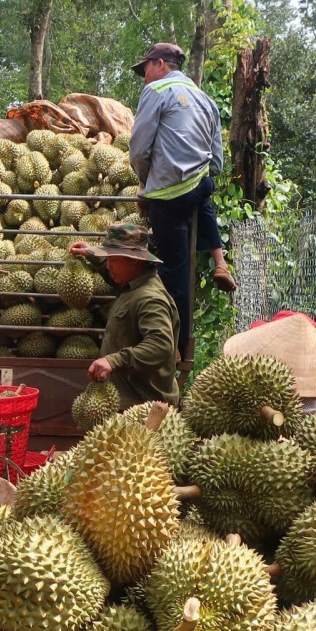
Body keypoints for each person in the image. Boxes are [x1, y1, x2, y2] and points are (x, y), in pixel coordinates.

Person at [127, 42, 235, 358]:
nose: (143, 77)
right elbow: (217, 160)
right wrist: (197, 175)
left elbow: (139, 149)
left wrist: (147, 185)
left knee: (174, 268)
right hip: (199, 186)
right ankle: (220, 262)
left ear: (160, 64)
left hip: (169, 195)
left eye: (144, 69)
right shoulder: (206, 100)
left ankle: (175, 344)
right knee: (202, 195)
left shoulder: (157, 90)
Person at [70, 224, 182, 410]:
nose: (109, 265)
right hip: (129, 402)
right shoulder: (134, 282)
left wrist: (114, 360)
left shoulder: (150, 299)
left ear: (135, 260)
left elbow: (161, 345)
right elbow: (114, 272)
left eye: (113, 259)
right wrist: (92, 255)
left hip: (144, 409)